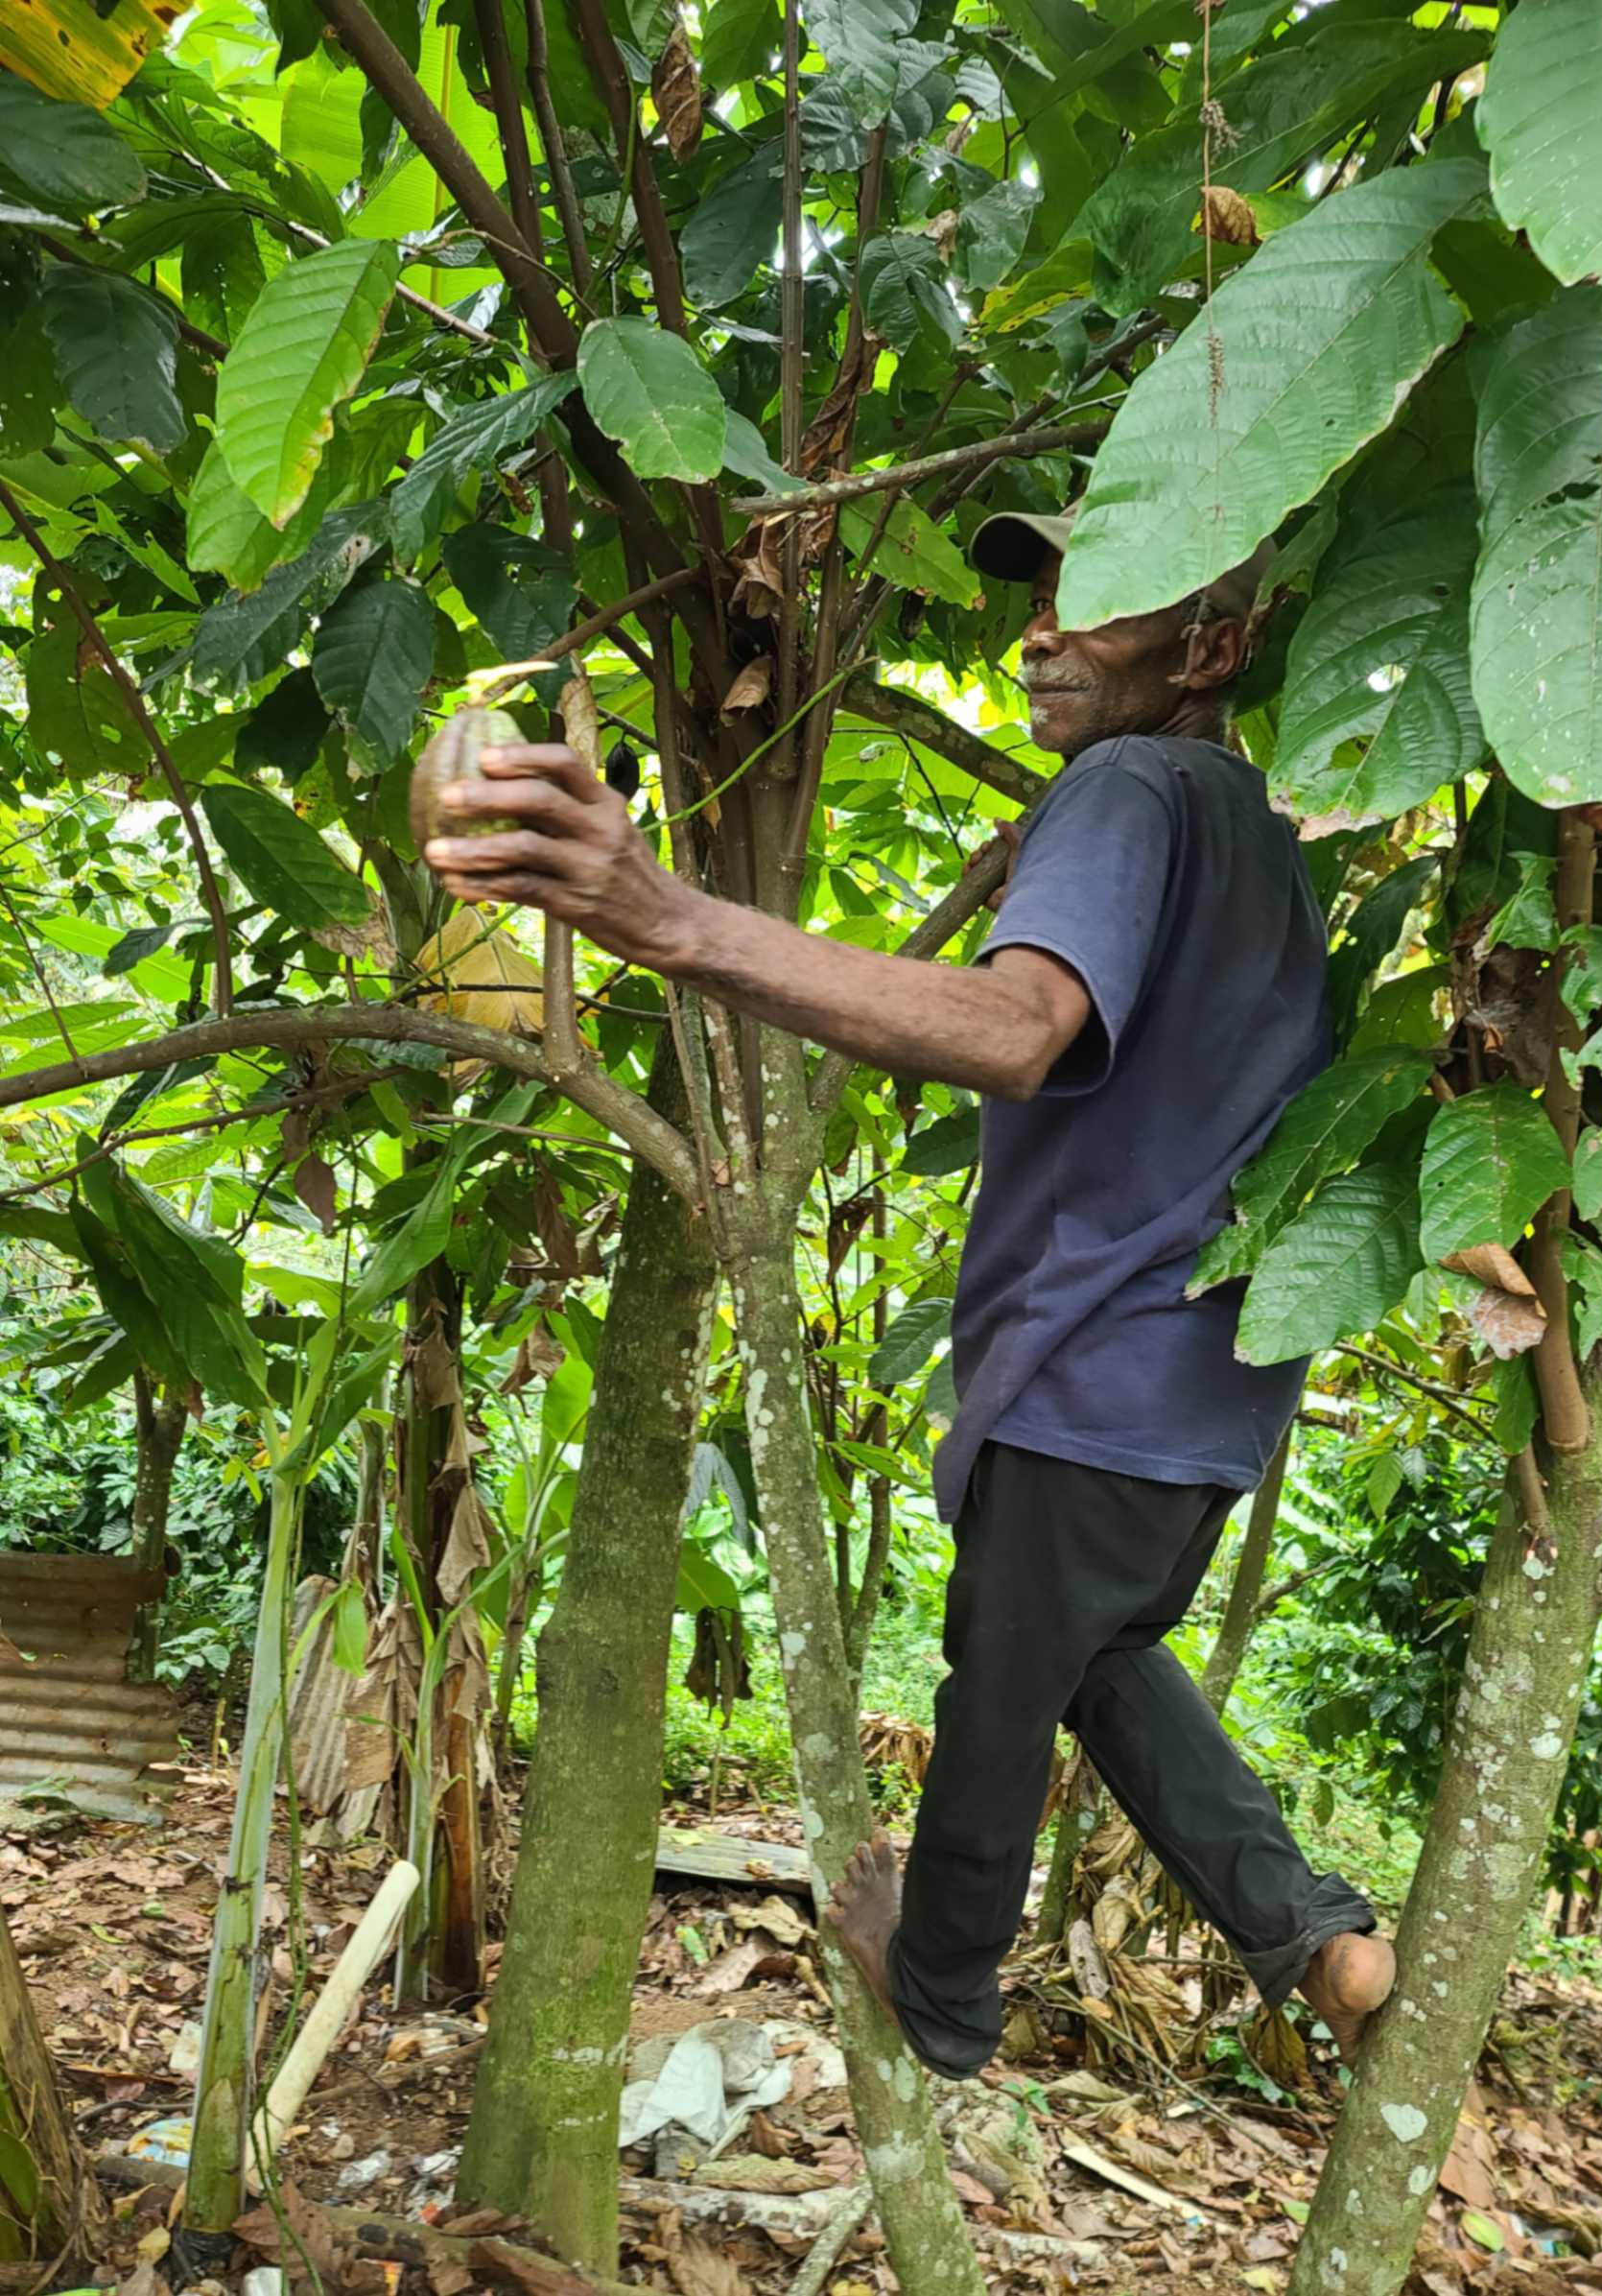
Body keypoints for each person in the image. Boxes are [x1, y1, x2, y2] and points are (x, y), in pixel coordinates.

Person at [421, 505, 1397, 2078]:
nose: (1041, 632)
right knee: (1097, 1659)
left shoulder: (1124, 788)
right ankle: (1315, 1936)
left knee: (1001, 1683)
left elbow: (1017, 1029)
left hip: (1097, 1362)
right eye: (1042, 599)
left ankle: (938, 1984)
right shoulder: (1258, 830)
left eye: (1100, 601)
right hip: (1214, 1387)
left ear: (1212, 648)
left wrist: (664, 915)